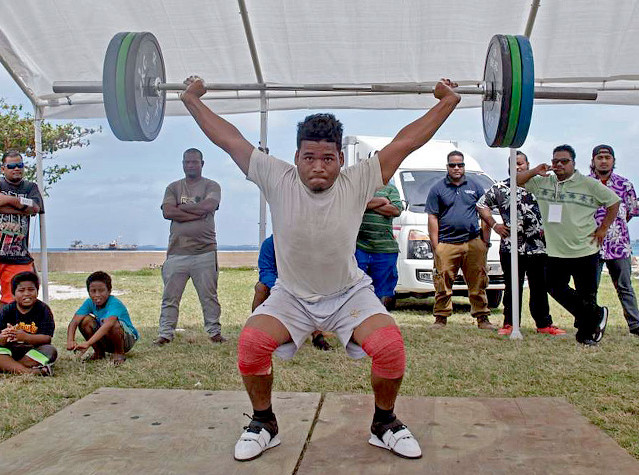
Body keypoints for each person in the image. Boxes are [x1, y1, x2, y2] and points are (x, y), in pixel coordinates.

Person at [180, 74, 461, 461]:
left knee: (390, 347)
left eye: (327, 158)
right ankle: (264, 423)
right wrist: (192, 99)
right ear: (296, 157)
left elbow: (407, 141)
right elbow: (229, 139)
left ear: (340, 160)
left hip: (348, 294)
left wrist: (447, 102)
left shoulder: (359, 179)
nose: (318, 167)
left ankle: (384, 423)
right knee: (250, 345)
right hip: (292, 295)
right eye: (309, 157)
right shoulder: (275, 176)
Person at [517, 145, 620, 346]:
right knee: (554, 287)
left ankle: (586, 336)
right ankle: (597, 314)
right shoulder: (542, 182)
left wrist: (603, 229)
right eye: (556, 161)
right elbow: (516, 182)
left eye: (565, 161)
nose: (559, 165)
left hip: (585, 250)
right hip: (556, 251)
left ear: (574, 163)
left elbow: (613, 202)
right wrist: (535, 171)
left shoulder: (588, 184)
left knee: (587, 294)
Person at [476, 151, 565, 336]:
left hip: (538, 246)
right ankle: (509, 323)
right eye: (513, 164)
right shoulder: (500, 187)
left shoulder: (540, 186)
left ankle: (543, 324)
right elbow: (481, 205)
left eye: (520, 163)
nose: (517, 167)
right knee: (511, 286)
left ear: (528, 164)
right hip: (510, 246)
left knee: (539, 287)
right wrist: (494, 225)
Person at [153, 148, 226, 346]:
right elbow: (168, 211)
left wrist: (181, 209)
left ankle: (214, 332)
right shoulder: (173, 187)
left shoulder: (212, 186)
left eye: (194, 162)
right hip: (177, 253)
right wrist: (197, 213)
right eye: (187, 162)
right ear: (182, 164)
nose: (190, 165)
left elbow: (208, 207)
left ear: (202, 163)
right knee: (170, 297)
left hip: (205, 252)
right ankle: (165, 333)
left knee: (209, 296)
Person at [425, 150, 496, 330]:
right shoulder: (438, 188)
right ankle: (440, 318)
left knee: (478, 281)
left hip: (473, 242)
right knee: (442, 282)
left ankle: (482, 318)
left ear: (464, 166)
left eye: (460, 164)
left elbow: (484, 211)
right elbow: (432, 217)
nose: (457, 168)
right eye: (453, 165)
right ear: (447, 166)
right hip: (447, 243)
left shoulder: (475, 186)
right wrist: (436, 246)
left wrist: (484, 241)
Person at [590, 144, 639, 336]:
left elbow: (630, 212)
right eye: (599, 157)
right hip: (591, 244)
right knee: (589, 288)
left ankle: (635, 324)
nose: (603, 160)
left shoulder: (625, 185)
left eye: (607, 157)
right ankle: (589, 323)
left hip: (619, 245)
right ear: (593, 161)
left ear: (613, 161)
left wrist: (613, 228)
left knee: (625, 286)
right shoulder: (585, 185)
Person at [252, 235, 333, 351]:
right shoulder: (269, 244)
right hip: (275, 284)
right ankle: (256, 331)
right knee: (260, 288)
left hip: (298, 284)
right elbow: (266, 271)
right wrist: (278, 287)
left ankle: (317, 336)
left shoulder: (302, 244)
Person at [0, 151, 44, 310]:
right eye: (11, 166)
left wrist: (9, 200)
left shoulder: (30, 187)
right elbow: (27, 208)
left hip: (17, 256)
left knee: (12, 301)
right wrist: (21, 208)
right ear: (3, 169)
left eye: (20, 165)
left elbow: (35, 207)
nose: (16, 168)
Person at [67, 271, 139, 365]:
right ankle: (99, 352)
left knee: (113, 324)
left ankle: (119, 353)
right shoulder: (89, 302)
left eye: (101, 290)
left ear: (109, 291)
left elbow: (108, 325)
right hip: (106, 336)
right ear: (88, 292)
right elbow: (74, 322)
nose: (97, 295)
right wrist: (70, 340)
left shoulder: (114, 303)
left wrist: (87, 343)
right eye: (93, 291)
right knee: (85, 321)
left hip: (126, 339)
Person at [355, 178, 403, 310]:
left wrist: (367, 204)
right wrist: (382, 201)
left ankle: (377, 315)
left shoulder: (391, 188)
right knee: (357, 286)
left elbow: (395, 210)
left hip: (384, 249)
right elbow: (353, 204)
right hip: (359, 246)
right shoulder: (359, 187)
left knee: (381, 290)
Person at [0, 271, 56, 375]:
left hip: (32, 350)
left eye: (31, 290)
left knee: (50, 350)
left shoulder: (43, 309)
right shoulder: (7, 310)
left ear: (37, 292)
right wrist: (3, 337)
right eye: (21, 290)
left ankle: (10, 367)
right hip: (11, 350)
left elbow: (47, 338)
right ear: (13, 294)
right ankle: (29, 371)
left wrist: (25, 337)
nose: (26, 294)